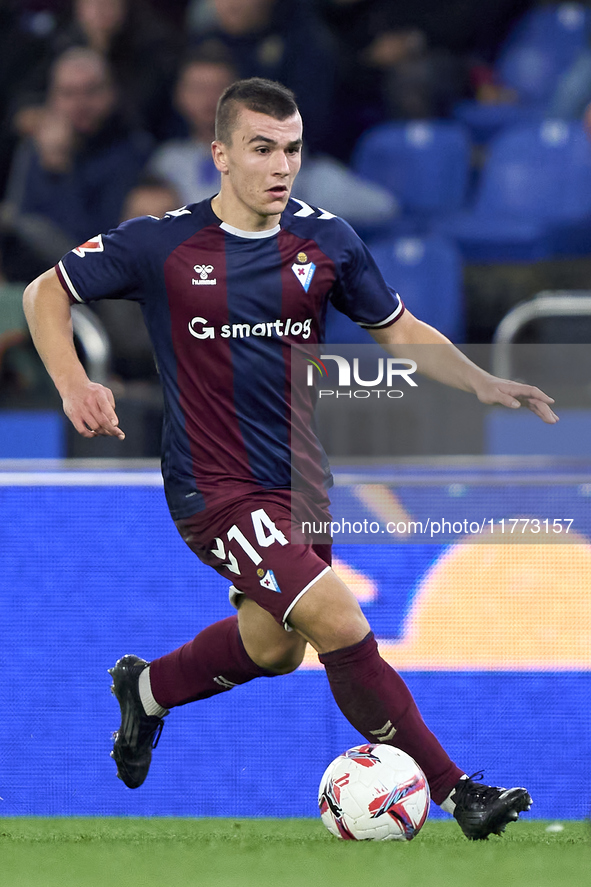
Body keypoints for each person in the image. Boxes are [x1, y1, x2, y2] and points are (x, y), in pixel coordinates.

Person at [23, 78, 557, 839]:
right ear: (221, 155)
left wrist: (480, 379)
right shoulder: (161, 242)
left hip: (301, 486)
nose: (281, 166)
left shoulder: (326, 239)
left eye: (293, 149)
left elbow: (398, 330)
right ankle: (457, 790)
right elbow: (45, 292)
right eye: (262, 148)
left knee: (274, 648)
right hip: (214, 488)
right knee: (340, 619)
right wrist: (74, 383)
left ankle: (145, 691)